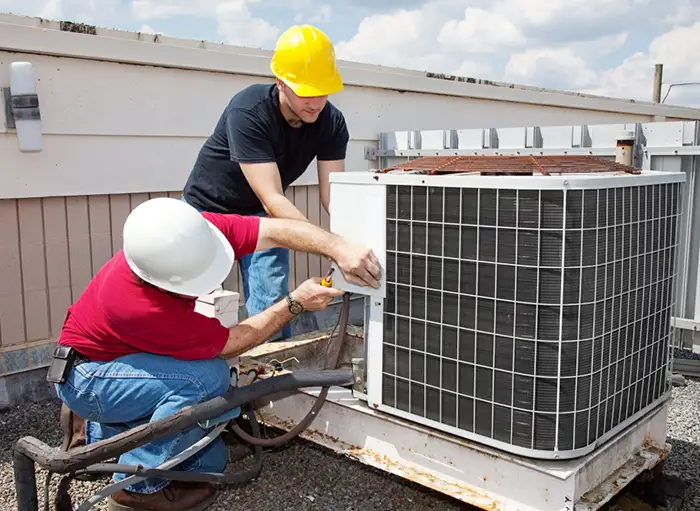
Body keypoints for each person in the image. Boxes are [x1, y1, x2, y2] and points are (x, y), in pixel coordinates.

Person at [50, 197, 381, 511]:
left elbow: (275, 229)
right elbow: (232, 343)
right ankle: (134, 488)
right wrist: (295, 303)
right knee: (207, 379)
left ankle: (93, 434)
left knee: (211, 460)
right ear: (164, 282)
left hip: (111, 358)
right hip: (89, 376)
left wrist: (337, 246)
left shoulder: (189, 234)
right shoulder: (139, 306)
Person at [181, 24, 348, 341]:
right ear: (281, 83)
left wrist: (350, 241)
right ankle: (198, 377)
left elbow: (333, 196)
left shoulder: (332, 123)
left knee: (273, 303)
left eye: (322, 90)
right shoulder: (249, 110)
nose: (315, 101)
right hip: (206, 213)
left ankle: (267, 379)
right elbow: (273, 197)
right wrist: (331, 245)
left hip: (260, 216)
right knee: (193, 303)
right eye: (304, 91)